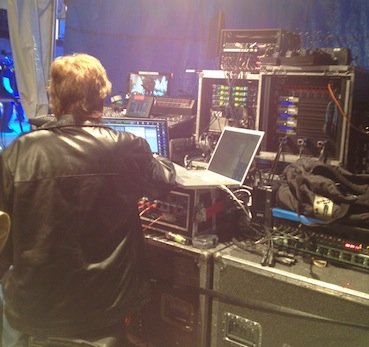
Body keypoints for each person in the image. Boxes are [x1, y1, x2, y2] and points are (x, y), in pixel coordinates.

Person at [0, 53, 176, 346]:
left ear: (54, 97)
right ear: (102, 96)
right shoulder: (129, 147)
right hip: (106, 311)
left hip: (33, 312)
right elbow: (163, 183)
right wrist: (159, 159)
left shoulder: (17, 153)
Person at [0, 56, 15, 133]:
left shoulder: (3, 71)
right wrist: (12, 93)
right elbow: (6, 84)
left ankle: (3, 126)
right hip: (5, 95)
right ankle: (4, 126)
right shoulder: (6, 71)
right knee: (8, 110)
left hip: (3, 94)